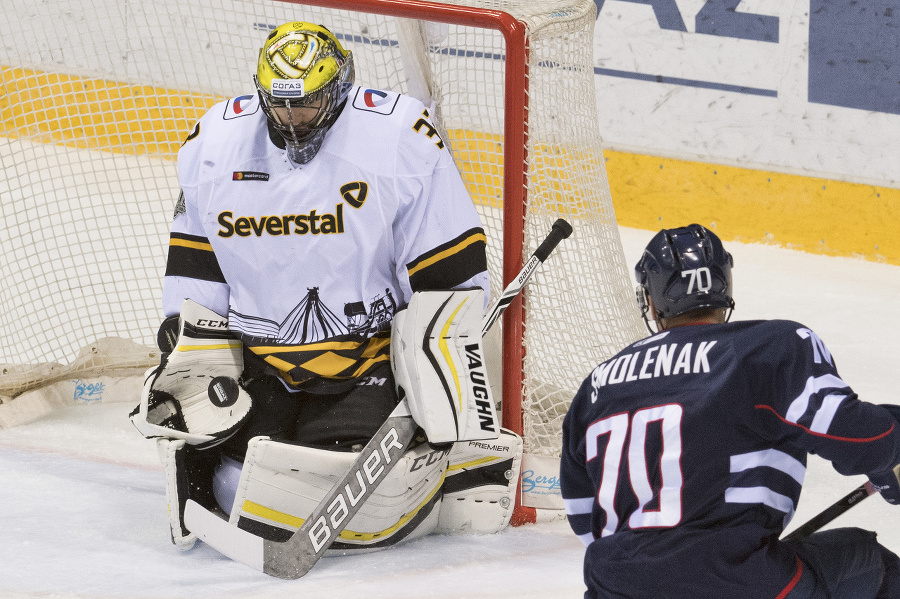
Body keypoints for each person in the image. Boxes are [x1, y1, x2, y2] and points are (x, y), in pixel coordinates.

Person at [130, 21, 522, 553]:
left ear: (339, 92)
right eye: (280, 106)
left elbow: (447, 262)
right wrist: (186, 334)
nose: (292, 122)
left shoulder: (397, 138)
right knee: (229, 467)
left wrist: (441, 356)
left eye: (306, 107)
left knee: (346, 477)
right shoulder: (215, 145)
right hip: (261, 362)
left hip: (365, 362)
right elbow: (197, 257)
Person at [560, 223, 900, 598]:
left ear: (652, 301)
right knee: (867, 561)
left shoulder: (597, 384)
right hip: (739, 582)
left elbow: (585, 519)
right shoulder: (766, 348)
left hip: (616, 586)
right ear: (725, 287)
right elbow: (865, 439)